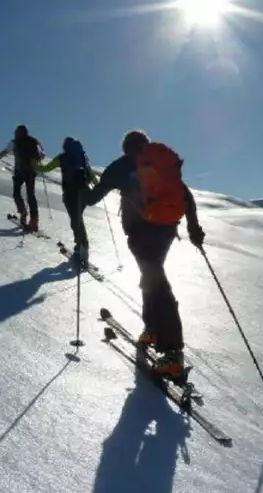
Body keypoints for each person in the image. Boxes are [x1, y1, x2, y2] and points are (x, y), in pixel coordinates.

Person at [83, 129, 205, 378]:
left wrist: (78, 186)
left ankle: (172, 353)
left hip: (141, 233)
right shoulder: (161, 164)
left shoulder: (121, 166)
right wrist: (194, 228)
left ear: (125, 148)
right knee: (150, 277)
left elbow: (92, 198)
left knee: (156, 282)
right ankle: (152, 329)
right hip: (167, 230)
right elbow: (186, 195)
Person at [36, 136, 97, 264]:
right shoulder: (82, 156)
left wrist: (33, 164)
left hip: (70, 192)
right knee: (78, 218)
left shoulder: (62, 157)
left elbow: (45, 169)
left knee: (75, 219)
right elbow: (90, 173)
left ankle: (82, 246)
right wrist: (98, 185)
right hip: (84, 191)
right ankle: (81, 246)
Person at [0, 124, 44, 231]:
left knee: (16, 194)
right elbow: (42, 155)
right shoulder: (33, 142)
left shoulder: (14, 142)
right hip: (31, 172)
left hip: (19, 172)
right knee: (31, 196)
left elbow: (3, 153)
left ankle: (23, 212)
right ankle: (34, 222)